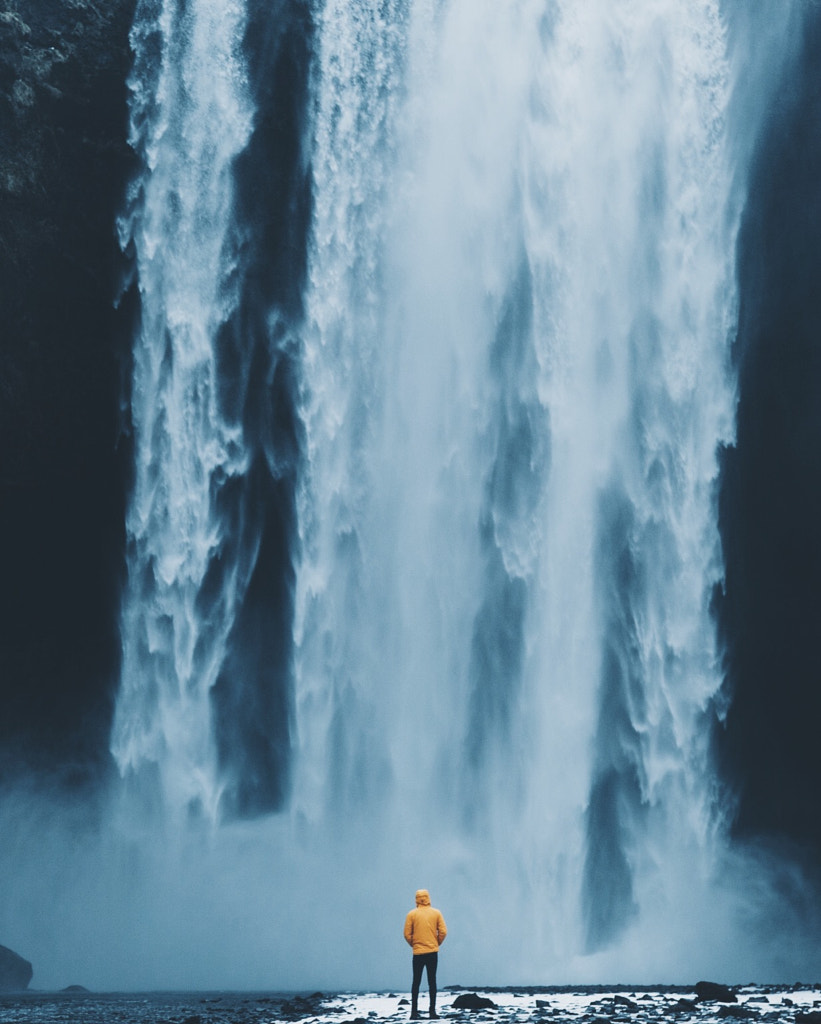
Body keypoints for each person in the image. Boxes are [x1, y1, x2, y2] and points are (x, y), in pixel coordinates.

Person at [403, 889, 447, 1020]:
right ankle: (432, 1012)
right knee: (432, 982)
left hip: (418, 953)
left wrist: (414, 945)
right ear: (428, 898)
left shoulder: (411, 914)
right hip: (432, 952)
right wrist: (436, 943)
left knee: (416, 982)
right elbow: (443, 932)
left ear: (416, 899)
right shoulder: (436, 913)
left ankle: (413, 1012)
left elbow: (406, 934)